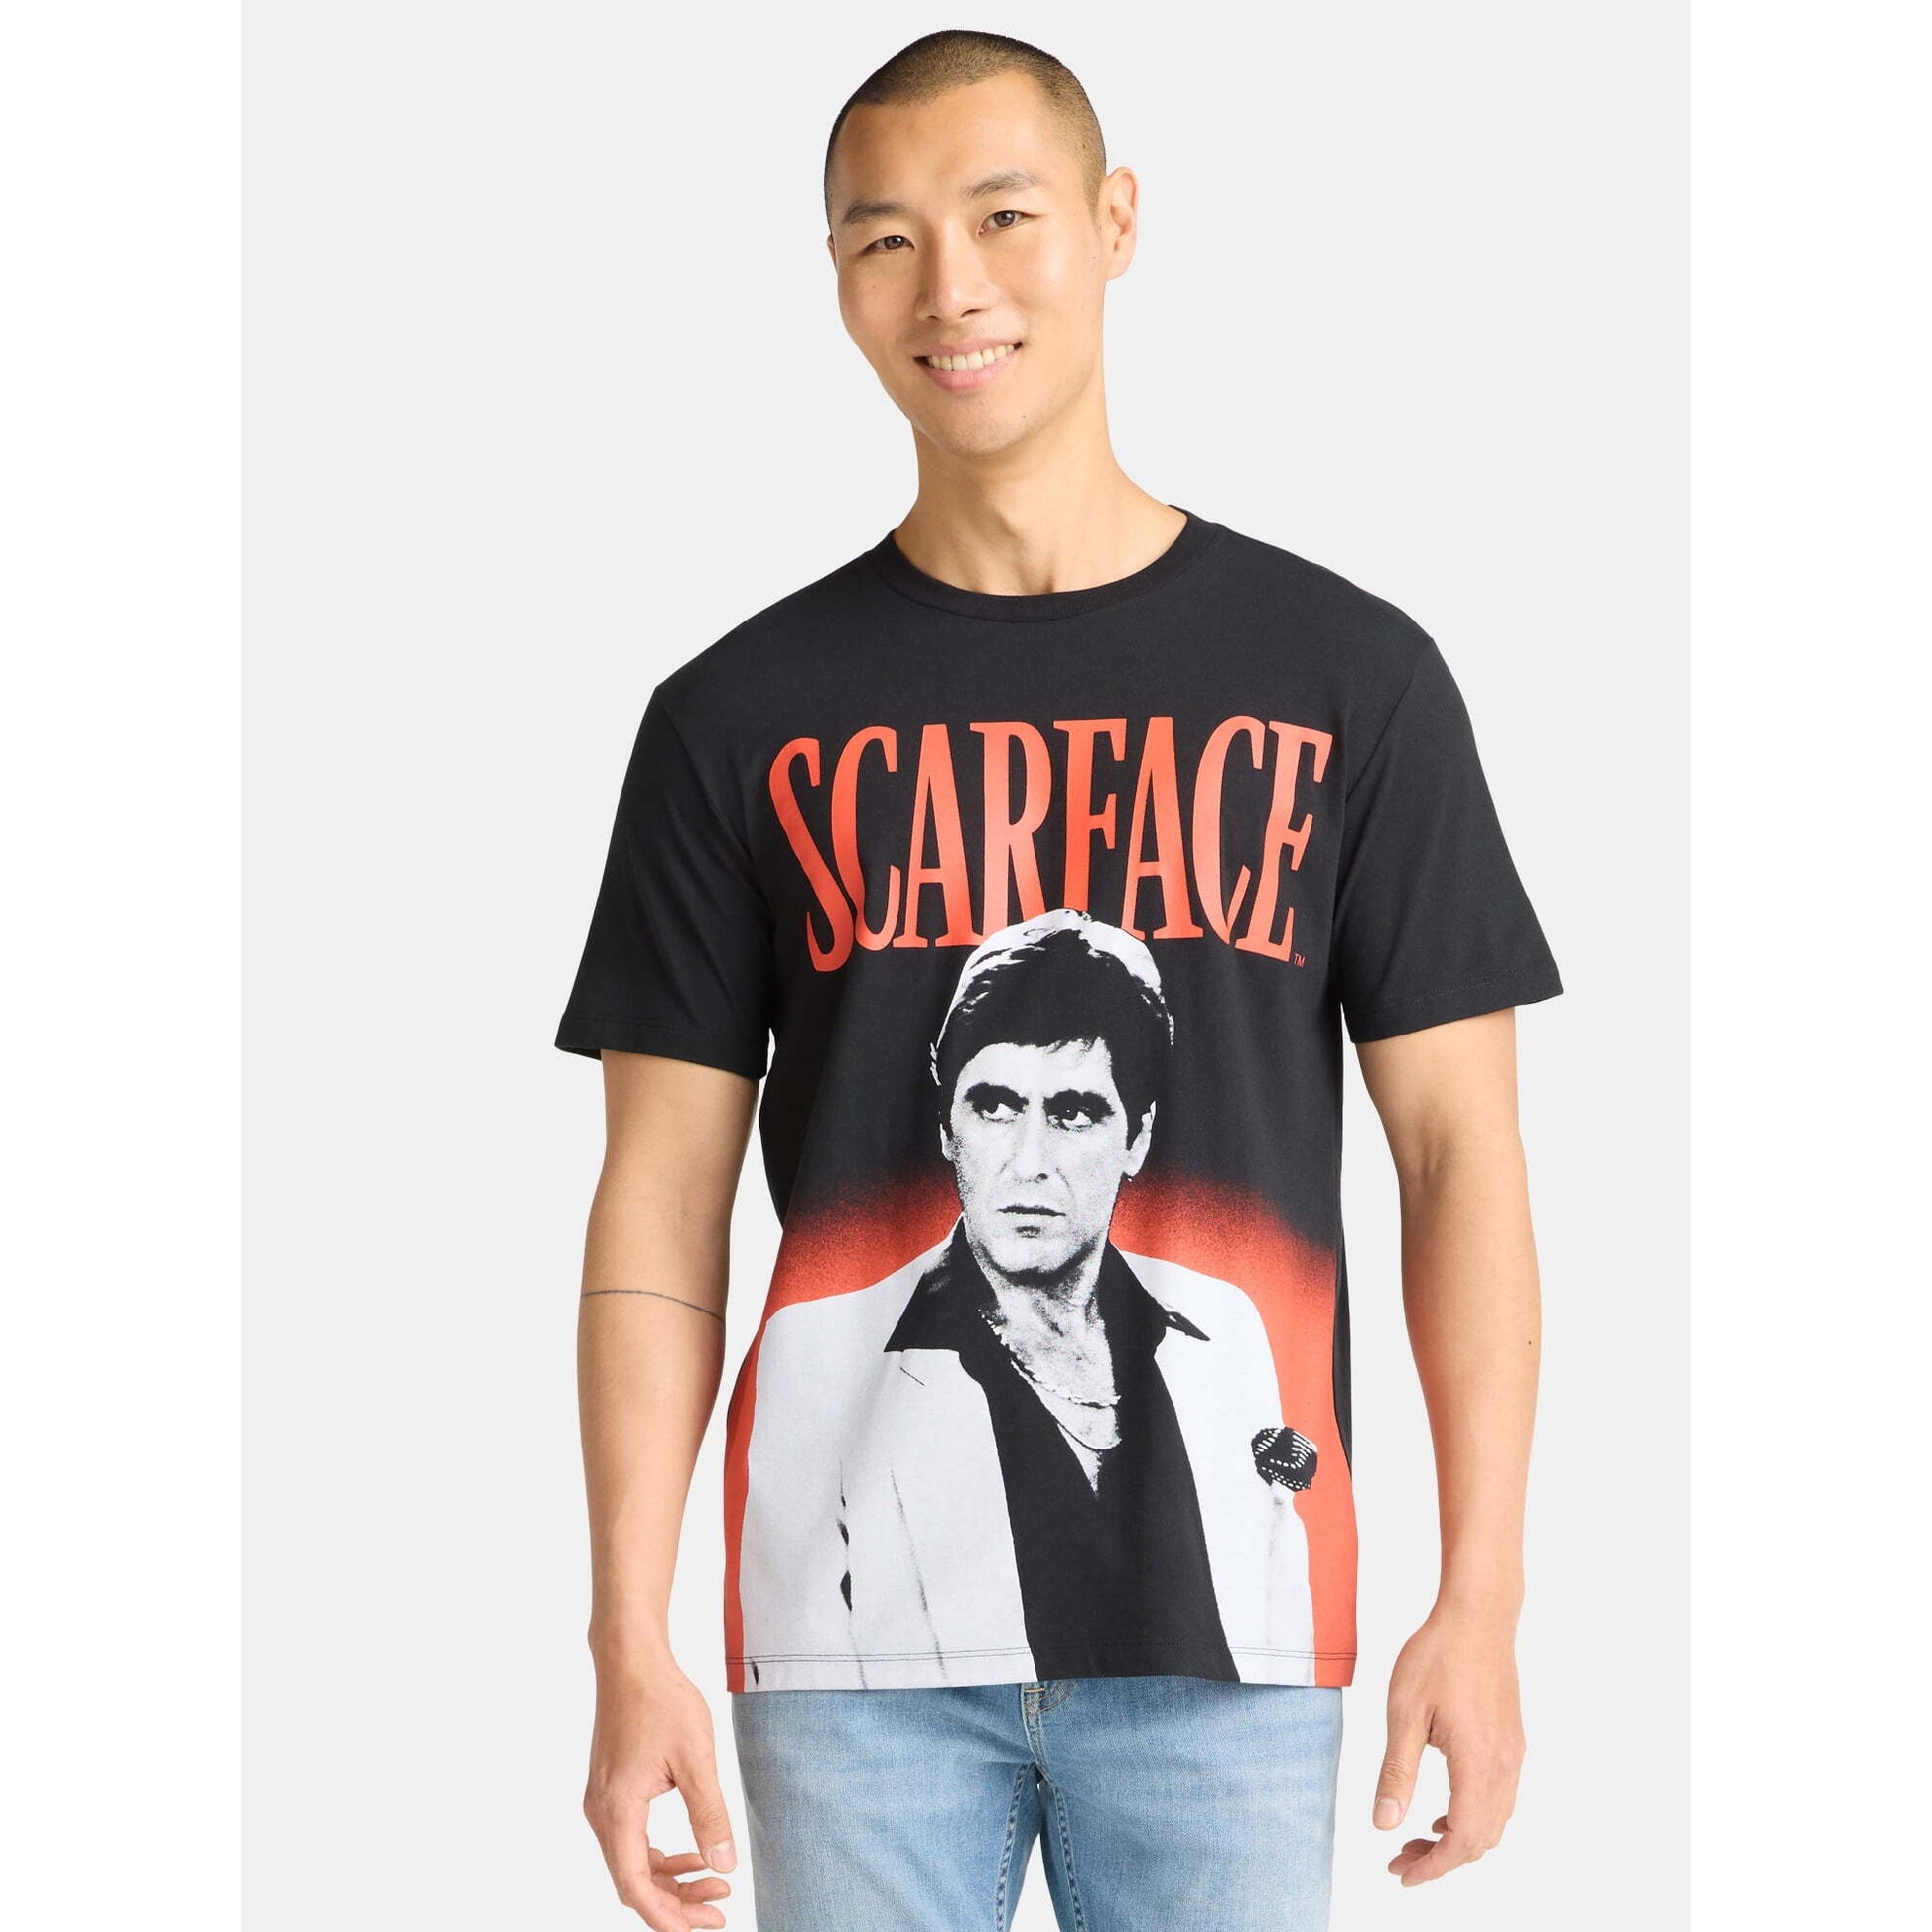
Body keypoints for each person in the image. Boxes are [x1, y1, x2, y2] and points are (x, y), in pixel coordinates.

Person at [556, 28, 1561, 1932]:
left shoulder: (1351, 680)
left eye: (1003, 216)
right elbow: (656, 1205)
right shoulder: (734, 717)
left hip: (1234, 1649)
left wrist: (1481, 1595)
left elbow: (1461, 1158)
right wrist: (625, 1634)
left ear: (1113, 222)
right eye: (884, 239)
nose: (950, 286)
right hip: (844, 1660)